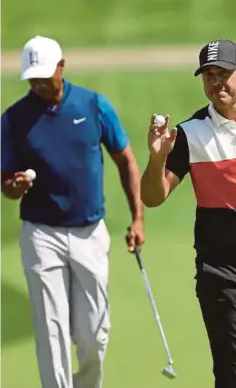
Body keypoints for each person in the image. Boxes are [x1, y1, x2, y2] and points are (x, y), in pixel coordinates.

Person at [141, 39, 236, 388]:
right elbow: (153, 196)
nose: (215, 82)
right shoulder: (190, 134)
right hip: (222, 274)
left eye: (223, 73)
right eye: (208, 75)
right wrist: (157, 156)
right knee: (233, 376)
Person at [1, 35, 145, 388]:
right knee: (51, 329)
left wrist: (137, 217)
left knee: (95, 333)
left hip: (89, 232)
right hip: (41, 234)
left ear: (61, 67)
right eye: (32, 79)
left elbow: (125, 159)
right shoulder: (13, 119)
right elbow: (5, 184)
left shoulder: (94, 105)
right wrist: (13, 187)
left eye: (44, 77)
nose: (38, 84)